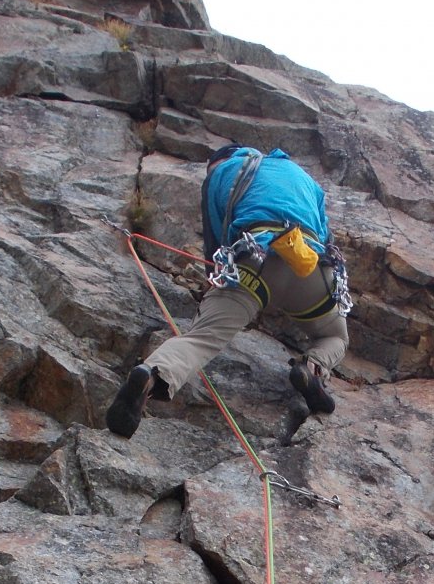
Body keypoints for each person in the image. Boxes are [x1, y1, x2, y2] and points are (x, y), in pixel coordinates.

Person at [107, 145, 352, 439]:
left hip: (253, 262)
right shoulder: (302, 177)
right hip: (309, 267)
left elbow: (216, 236)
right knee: (335, 336)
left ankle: (151, 374)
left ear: (221, 161)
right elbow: (327, 237)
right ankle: (313, 368)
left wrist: (214, 282)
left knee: (201, 339)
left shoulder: (222, 172)